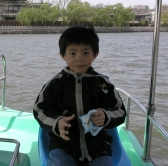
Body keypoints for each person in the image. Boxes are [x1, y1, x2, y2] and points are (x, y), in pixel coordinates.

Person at [33, 26, 126, 166]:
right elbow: (40, 110)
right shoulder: (55, 84)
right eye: (72, 53)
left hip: (98, 145)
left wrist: (105, 116)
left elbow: (120, 111)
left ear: (95, 54)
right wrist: (57, 122)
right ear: (62, 55)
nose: (79, 59)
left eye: (86, 52)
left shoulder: (103, 84)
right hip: (63, 145)